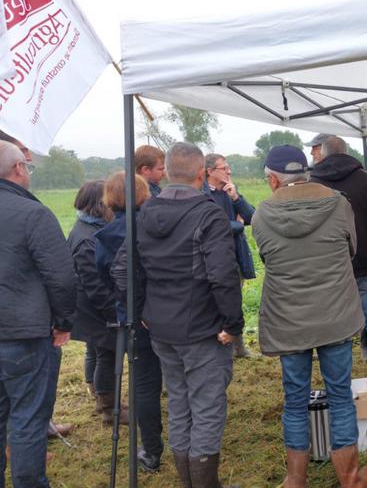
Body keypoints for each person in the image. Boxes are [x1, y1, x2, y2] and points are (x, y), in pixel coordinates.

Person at [114, 142, 242, 487]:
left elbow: (122, 270)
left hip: (162, 327)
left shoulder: (145, 213)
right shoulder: (208, 212)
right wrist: (233, 323)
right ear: (201, 174)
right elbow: (222, 274)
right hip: (201, 329)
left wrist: (142, 308)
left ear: (169, 172)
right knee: (206, 408)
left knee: (181, 404)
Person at [253, 144, 367, 488]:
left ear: (273, 180)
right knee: (339, 395)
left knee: (294, 400)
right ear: (304, 172)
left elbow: (267, 259)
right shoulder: (339, 204)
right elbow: (351, 250)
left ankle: (295, 479)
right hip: (335, 315)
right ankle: (349, 477)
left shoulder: (261, 214)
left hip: (287, 321)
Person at [0, 140, 76, 487]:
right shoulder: (33, 213)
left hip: (19, 328)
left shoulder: (31, 213)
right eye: (26, 167)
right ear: (18, 170)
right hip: (24, 336)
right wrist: (63, 323)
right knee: (29, 418)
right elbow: (61, 276)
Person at [310, 136, 367, 375]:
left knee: (335, 330)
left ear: (323, 154)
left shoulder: (311, 182)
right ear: (347, 152)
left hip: (328, 268)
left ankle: (340, 387)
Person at [96, 172, 164, 472]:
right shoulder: (158, 225)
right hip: (167, 310)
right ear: (144, 193)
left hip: (134, 318)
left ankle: (151, 449)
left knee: (145, 384)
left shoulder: (105, 237)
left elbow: (103, 277)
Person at [67, 181, 127, 426]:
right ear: (98, 204)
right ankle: (109, 409)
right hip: (95, 310)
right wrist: (114, 312)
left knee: (96, 351)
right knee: (107, 353)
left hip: (89, 308)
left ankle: (98, 395)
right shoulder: (87, 239)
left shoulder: (87, 228)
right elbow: (96, 286)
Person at [204, 153, 256, 359]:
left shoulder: (229, 191)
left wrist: (236, 197)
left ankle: (238, 347)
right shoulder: (203, 195)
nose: (229, 171)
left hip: (234, 256)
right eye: (224, 168)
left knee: (235, 301)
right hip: (213, 259)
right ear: (209, 172)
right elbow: (213, 227)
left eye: (228, 167)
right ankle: (220, 349)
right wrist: (236, 225)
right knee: (217, 303)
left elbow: (252, 217)